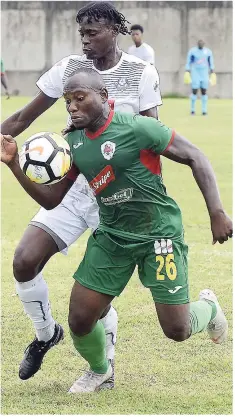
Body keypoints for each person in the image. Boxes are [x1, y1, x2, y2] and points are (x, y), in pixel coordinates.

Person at [1, 67, 232, 393]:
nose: (72, 107)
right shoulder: (73, 142)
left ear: (105, 98)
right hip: (112, 236)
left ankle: (208, 308)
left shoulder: (138, 128)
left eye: (80, 99)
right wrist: (13, 164)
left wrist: (217, 212)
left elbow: (195, 156)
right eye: (68, 101)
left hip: (159, 235)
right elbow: (53, 200)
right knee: (80, 320)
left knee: (177, 330)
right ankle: (100, 370)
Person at [0, 1, 162, 386]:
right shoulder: (70, 68)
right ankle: (45, 334)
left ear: (114, 31)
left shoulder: (141, 72)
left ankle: (102, 367)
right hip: (74, 186)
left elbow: (152, 139)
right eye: (82, 33)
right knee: (24, 261)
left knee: (95, 289)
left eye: (93, 33)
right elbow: (23, 118)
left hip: (119, 196)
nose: (86, 41)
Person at [184, 39, 216, 115]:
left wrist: (212, 70)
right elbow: (189, 61)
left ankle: (204, 111)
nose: (201, 44)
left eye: (202, 43)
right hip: (195, 72)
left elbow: (210, 61)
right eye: (199, 43)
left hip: (204, 73)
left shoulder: (208, 52)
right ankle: (192, 110)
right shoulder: (192, 51)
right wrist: (187, 69)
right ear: (197, 44)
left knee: (204, 91)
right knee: (194, 90)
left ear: (204, 44)